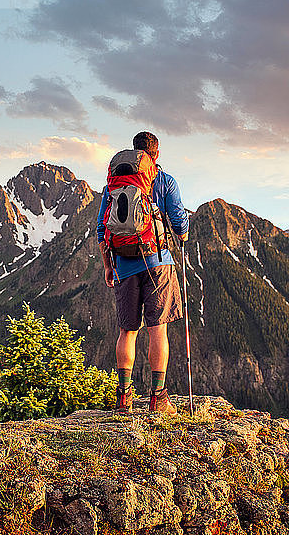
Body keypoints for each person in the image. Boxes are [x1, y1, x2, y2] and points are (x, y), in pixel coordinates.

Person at [97, 131, 189, 414]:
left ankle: (124, 398)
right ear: (156, 154)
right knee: (157, 330)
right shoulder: (165, 181)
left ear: (134, 151)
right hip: (157, 263)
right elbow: (179, 223)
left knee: (127, 331)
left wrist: (108, 266)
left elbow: (102, 231)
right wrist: (182, 235)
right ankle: (157, 398)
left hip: (124, 263)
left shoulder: (113, 185)